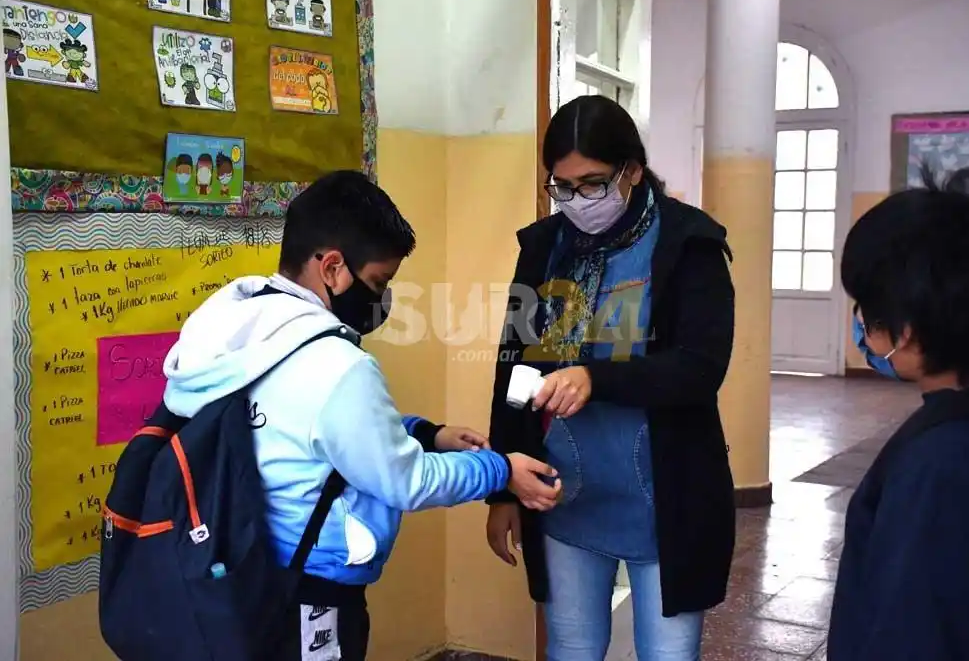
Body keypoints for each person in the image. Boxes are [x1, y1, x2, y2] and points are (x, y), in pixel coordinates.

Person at [161, 170, 560, 661]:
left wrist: (426, 434)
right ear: (332, 267)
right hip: (312, 592)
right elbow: (405, 481)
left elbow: (307, 429)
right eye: (378, 282)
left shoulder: (234, 329)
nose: (381, 298)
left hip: (238, 568)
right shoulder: (336, 365)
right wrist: (501, 470)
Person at [484, 95, 736, 661]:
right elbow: (515, 365)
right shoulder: (544, 248)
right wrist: (502, 485)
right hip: (565, 492)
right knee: (571, 648)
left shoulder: (688, 244)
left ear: (633, 171)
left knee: (667, 653)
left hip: (663, 495)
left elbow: (700, 367)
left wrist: (598, 378)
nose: (577, 201)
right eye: (562, 186)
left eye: (593, 183)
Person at [829, 167, 969, 660]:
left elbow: (918, 636)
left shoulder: (945, 464)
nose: (862, 325)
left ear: (907, 329)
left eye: (867, 308)